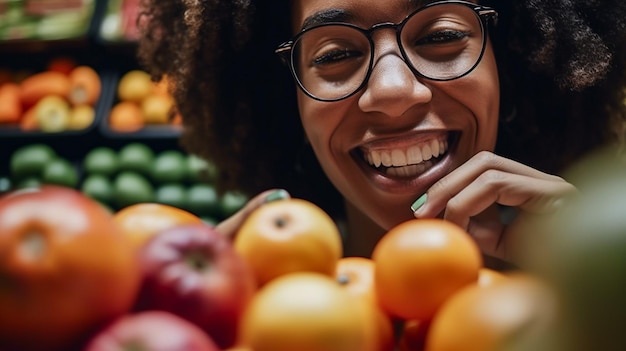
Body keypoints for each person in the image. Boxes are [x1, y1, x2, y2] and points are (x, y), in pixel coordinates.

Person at [135, 0, 626, 266]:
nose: (393, 92)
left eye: (441, 36)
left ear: (512, 70)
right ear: (289, 106)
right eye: (333, 55)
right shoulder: (251, 316)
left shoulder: (581, 297)